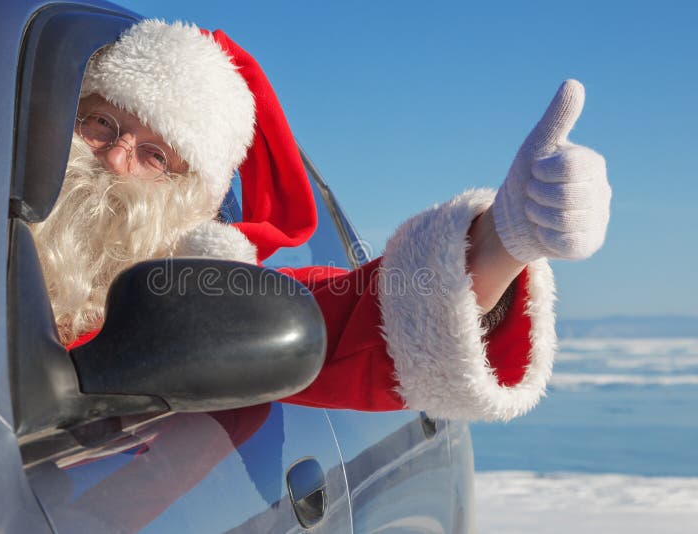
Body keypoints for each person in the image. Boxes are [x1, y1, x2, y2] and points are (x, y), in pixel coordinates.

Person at [31, 19, 611, 422]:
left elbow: (354, 317)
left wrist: (501, 242)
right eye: (99, 123)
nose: (112, 157)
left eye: (156, 156)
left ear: (191, 196)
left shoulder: (198, 285)